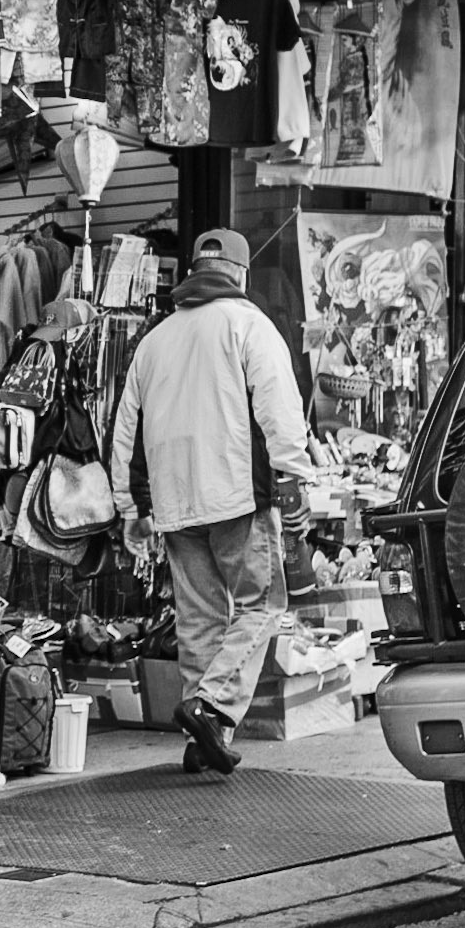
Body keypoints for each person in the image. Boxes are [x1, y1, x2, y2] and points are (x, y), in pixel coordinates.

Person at [109, 229, 315, 774]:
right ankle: (210, 705)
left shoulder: (154, 340)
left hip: (176, 503)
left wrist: (132, 509)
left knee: (199, 621)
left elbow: (124, 430)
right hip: (237, 497)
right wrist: (293, 480)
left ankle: (204, 741)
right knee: (261, 606)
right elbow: (279, 410)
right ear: (240, 274)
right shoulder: (248, 325)